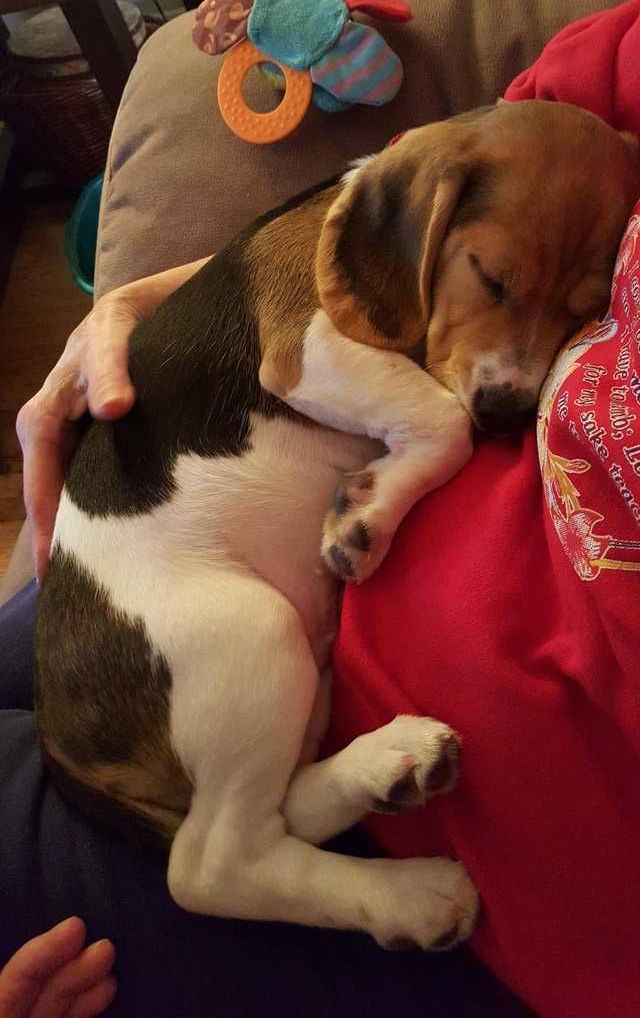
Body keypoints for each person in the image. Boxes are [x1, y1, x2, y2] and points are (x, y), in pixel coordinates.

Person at [1, 263, 530, 1018]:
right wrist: (129, 303)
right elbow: (316, 269)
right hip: (181, 572)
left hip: (200, 602)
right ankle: (237, 838)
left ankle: (236, 839)